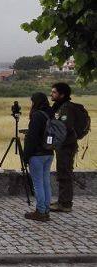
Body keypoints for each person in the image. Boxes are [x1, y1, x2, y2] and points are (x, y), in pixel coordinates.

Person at [23, 92, 54, 222]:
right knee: (46, 182)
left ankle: (40, 211)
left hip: (37, 154)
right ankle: (46, 209)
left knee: (38, 184)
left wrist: (26, 156)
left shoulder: (37, 116)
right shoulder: (51, 113)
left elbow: (32, 138)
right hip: (49, 152)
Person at [50, 82, 79, 213]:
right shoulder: (59, 106)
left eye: (54, 92)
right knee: (63, 172)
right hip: (63, 145)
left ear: (62, 94)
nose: (52, 94)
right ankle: (63, 200)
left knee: (64, 172)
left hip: (66, 146)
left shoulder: (66, 108)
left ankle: (65, 203)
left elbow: (64, 128)